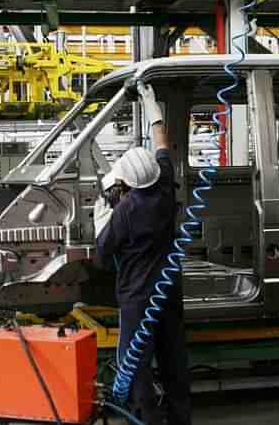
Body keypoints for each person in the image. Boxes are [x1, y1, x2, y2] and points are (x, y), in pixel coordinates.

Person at [95, 83, 191, 425]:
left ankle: (147, 419)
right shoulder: (165, 183)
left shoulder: (125, 212)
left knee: (136, 365)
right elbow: (161, 141)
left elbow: (102, 256)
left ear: (128, 184)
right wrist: (152, 104)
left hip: (138, 299)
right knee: (173, 358)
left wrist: (102, 216)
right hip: (169, 292)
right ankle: (180, 419)